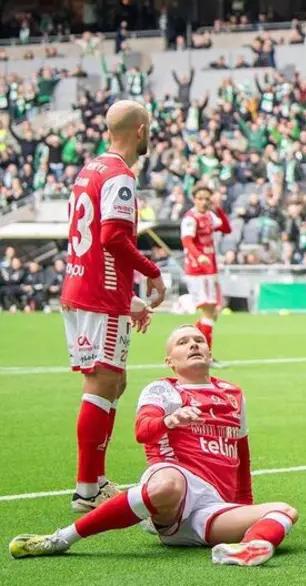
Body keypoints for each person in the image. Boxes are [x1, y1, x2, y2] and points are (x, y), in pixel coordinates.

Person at [9, 325, 298, 567]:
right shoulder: (163, 389)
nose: (193, 345)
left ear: (210, 353)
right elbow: (142, 431)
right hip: (175, 480)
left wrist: (243, 505)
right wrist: (170, 421)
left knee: (284, 511)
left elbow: (241, 452)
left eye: (199, 340)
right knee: (168, 485)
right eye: (183, 343)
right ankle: (62, 538)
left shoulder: (234, 394)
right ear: (169, 360)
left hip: (211, 507)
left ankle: (247, 549)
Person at [61, 100, 165, 513]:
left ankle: (97, 480)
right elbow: (114, 239)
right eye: (150, 128)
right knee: (102, 382)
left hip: (87, 286)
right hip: (98, 294)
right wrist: (152, 271)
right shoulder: (121, 176)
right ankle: (87, 489)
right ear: (140, 131)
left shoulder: (90, 169)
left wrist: (130, 298)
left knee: (113, 382)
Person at [180, 183, 232, 354]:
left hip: (211, 270)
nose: (203, 202)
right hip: (197, 271)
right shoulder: (190, 218)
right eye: (200, 199)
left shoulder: (210, 215)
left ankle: (194, 347)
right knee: (209, 311)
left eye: (207, 199)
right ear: (194, 199)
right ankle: (206, 355)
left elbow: (226, 228)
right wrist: (199, 256)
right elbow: (187, 240)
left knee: (212, 313)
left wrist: (219, 209)